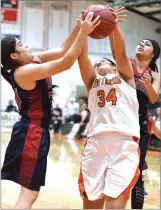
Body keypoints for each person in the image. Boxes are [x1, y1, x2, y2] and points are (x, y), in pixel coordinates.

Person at [1, 12, 100, 209]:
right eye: (21, 46)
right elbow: (66, 63)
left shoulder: (33, 61)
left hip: (35, 132)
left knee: (30, 193)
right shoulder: (24, 72)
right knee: (29, 194)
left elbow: (62, 49)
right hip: (31, 133)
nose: (27, 46)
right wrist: (83, 32)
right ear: (14, 56)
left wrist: (80, 26)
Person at [78, 8, 140, 209]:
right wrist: (83, 30)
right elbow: (82, 56)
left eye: (105, 61)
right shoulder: (92, 82)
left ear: (115, 68)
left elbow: (119, 53)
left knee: (115, 204)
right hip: (96, 142)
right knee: (92, 204)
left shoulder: (126, 78)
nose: (99, 62)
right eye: (98, 63)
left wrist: (113, 26)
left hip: (124, 144)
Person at [109, 6, 160, 209]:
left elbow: (154, 99)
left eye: (146, 44)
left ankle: (137, 201)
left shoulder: (155, 75)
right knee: (116, 165)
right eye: (140, 42)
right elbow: (116, 50)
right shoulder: (126, 64)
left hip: (139, 122)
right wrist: (114, 26)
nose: (141, 44)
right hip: (119, 119)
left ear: (154, 53)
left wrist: (148, 85)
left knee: (137, 169)